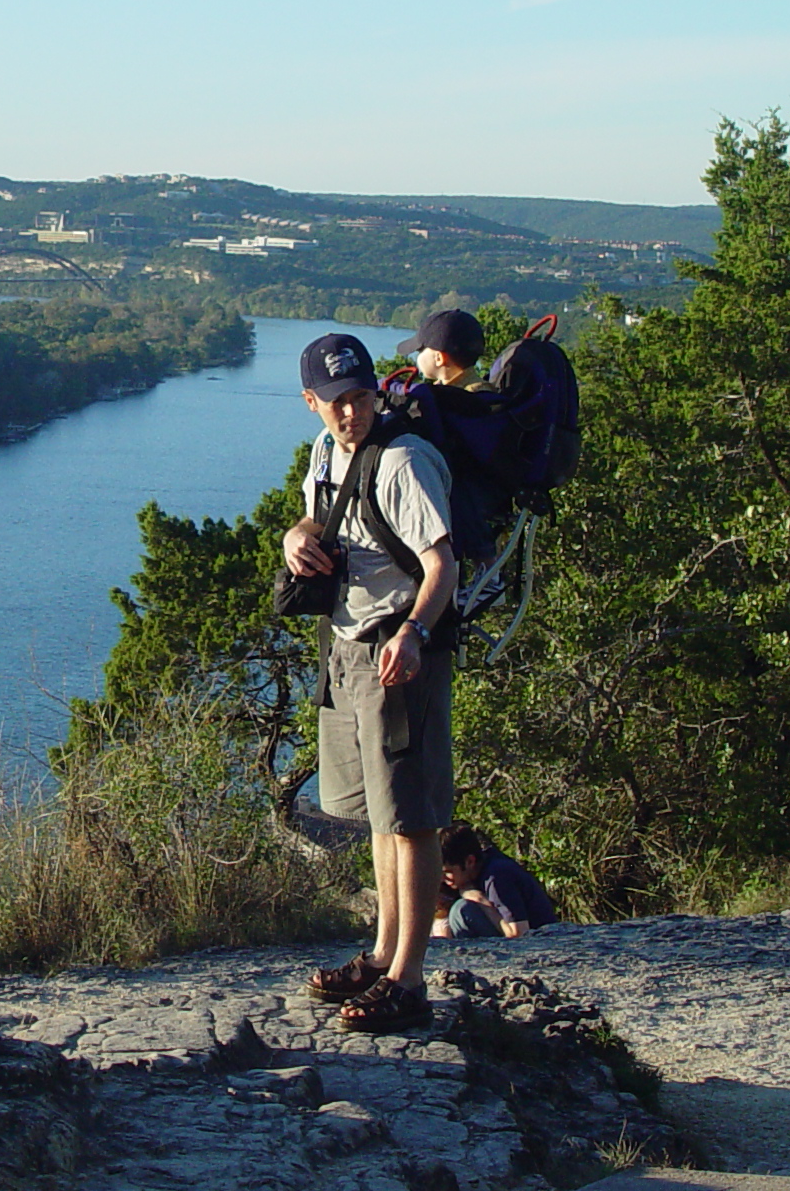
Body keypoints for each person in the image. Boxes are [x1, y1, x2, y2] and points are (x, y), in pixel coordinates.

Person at [283, 331, 458, 1034]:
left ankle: (409, 980)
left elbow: (441, 561)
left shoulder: (405, 461)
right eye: (335, 402)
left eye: (359, 397)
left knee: (411, 817)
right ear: (311, 403)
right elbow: (314, 517)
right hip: (348, 645)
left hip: (399, 647)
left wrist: (414, 632)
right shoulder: (327, 452)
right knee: (378, 816)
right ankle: (383, 954)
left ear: (375, 392)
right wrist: (294, 536)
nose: (350, 412)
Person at [432, 824, 557, 939]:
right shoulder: (467, 874)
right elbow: (441, 925)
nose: (442, 879)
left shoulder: (497, 875)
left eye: (447, 872)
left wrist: (480, 900)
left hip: (539, 941)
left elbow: (519, 933)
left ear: (470, 861)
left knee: (462, 910)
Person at [409, 306, 485, 389]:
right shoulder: (481, 390)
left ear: (439, 358)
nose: (417, 356)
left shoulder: (465, 398)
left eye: (419, 350)